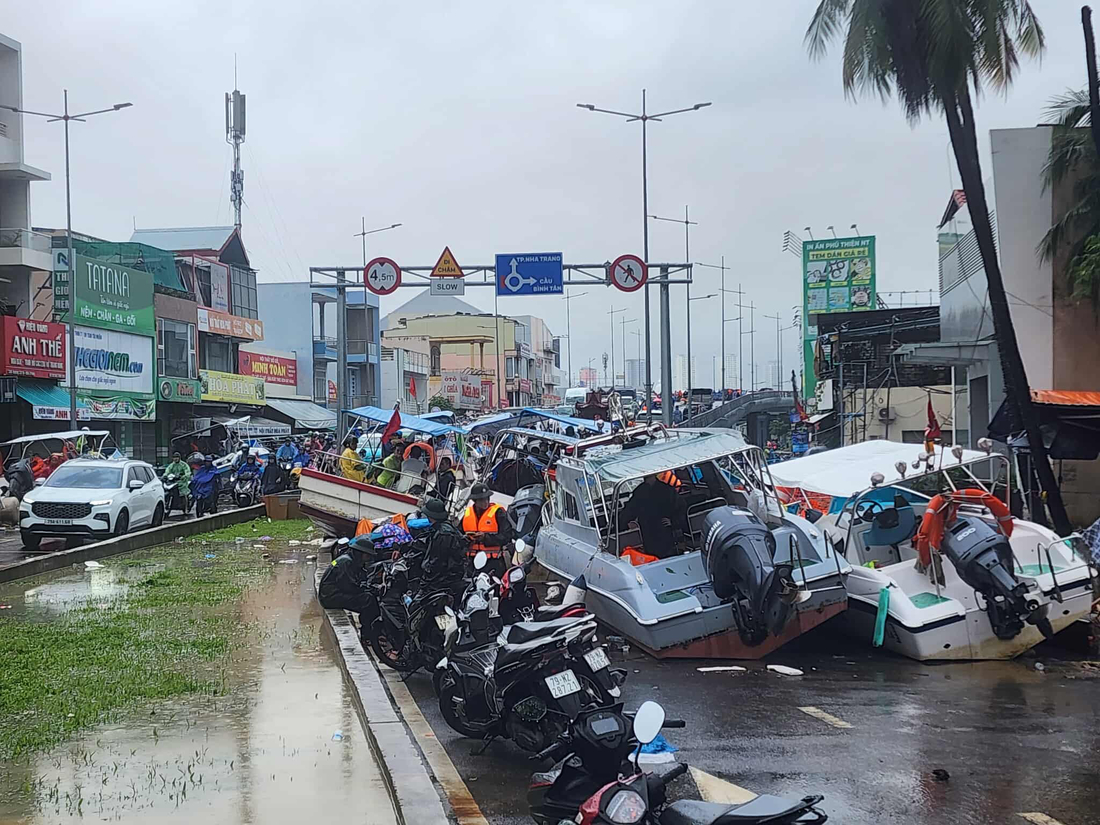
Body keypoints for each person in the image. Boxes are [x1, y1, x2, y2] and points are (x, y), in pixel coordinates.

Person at [617, 472, 689, 559]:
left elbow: (681, 507)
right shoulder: (642, 491)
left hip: (660, 529)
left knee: (663, 553)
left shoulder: (665, 489)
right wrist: (625, 523)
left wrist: (673, 521)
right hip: (649, 530)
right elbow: (630, 510)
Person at [318, 536, 378, 615]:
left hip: (331, 595)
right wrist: (366, 589)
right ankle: (368, 626)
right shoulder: (346, 562)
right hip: (330, 597)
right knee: (367, 599)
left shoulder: (349, 560)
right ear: (360, 553)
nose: (368, 559)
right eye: (367, 555)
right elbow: (348, 586)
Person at [462, 482, 512, 574]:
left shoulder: (498, 512)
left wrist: (486, 537)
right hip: (472, 562)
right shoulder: (467, 513)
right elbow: (459, 536)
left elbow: (506, 536)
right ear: (474, 500)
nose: (485, 502)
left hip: (493, 562)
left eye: (487, 498)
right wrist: (466, 538)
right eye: (481, 500)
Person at [420, 498, 467, 593]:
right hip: (450, 578)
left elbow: (437, 561)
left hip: (442, 581)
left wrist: (426, 580)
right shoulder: (447, 528)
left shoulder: (443, 534)